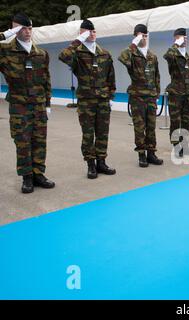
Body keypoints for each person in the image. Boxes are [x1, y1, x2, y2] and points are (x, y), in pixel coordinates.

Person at [0, 13, 55, 193]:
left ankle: (38, 174)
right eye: (22, 28)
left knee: (40, 141)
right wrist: (6, 34)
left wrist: (47, 104)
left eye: (30, 28)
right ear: (15, 29)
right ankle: (27, 177)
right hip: (19, 106)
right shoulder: (6, 51)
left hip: (39, 105)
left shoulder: (41, 54)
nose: (27, 31)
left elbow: (46, 79)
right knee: (22, 142)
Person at [59, 19, 117, 179]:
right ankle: (91, 165)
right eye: (87, 32)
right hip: (86, 101)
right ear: (81, 34)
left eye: (93, 31)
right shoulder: (77, 53)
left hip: (103, 101)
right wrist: (79, 41)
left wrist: (111, 96)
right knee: (88, 134)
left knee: (103, 133)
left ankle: (101, 162)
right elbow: (62, 56)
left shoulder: (104, 53)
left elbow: (111, 77)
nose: (91, 34)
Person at [118, 24, 163, 167]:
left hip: (151, 96)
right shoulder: (132, 54)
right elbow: (122, 57)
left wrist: (157, 93)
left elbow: (157, 76)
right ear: (136, 36)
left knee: (151, 126)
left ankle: (151, 153)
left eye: (145, 36)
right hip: (137, 97)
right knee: (139, 127)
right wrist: (134, 44)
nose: (144, 38)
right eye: (141, 36)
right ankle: (141, 155)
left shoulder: (152, 56)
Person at [163, 28, 189, 158]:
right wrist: (176, 44)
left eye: (186, 37)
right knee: (176, 121)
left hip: (187, 95)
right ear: (176, 38)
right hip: (175, 95)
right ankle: (176, 146)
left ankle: (185, 145)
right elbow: (166, 55)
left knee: (187, 121)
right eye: (182, 37)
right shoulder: (172, 55)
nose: (185, 39)